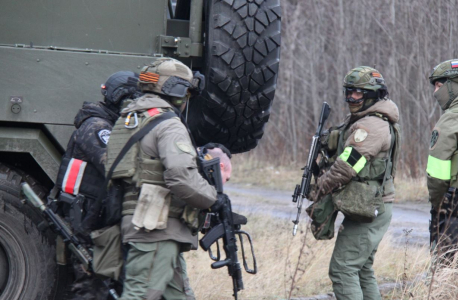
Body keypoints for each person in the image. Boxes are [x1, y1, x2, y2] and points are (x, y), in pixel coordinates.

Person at [105, 58, 218, 300]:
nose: (187, 98)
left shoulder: (129, 118)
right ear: (175, 90)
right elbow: (180, 176)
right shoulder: (168, 124)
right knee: (141, 295)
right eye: (186, 91)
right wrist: (212, 199)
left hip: (143, 225)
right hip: (156, 228)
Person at [314, 66, 400, 300]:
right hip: (371, 205)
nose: (351, 97)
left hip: (372, 208)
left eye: (358, 93)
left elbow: (348, 165)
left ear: (373, 95)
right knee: (361, 270)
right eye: (349, 91)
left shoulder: (371, 126)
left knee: (343, 269)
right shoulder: (367, 120)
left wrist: (321, 186)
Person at [54, 71, 140, 300]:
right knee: (90, 283)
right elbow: (113, 165)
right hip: (81, 217)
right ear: (123, 99)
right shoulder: (96, 126)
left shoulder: (108, 124)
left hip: (91, 215)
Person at [427, 59, 458, 258]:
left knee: (445, 265)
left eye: (439, 85)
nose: (435, 92)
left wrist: (438, 204)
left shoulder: (451, 118)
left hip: (453, 204)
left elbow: (437, 172)